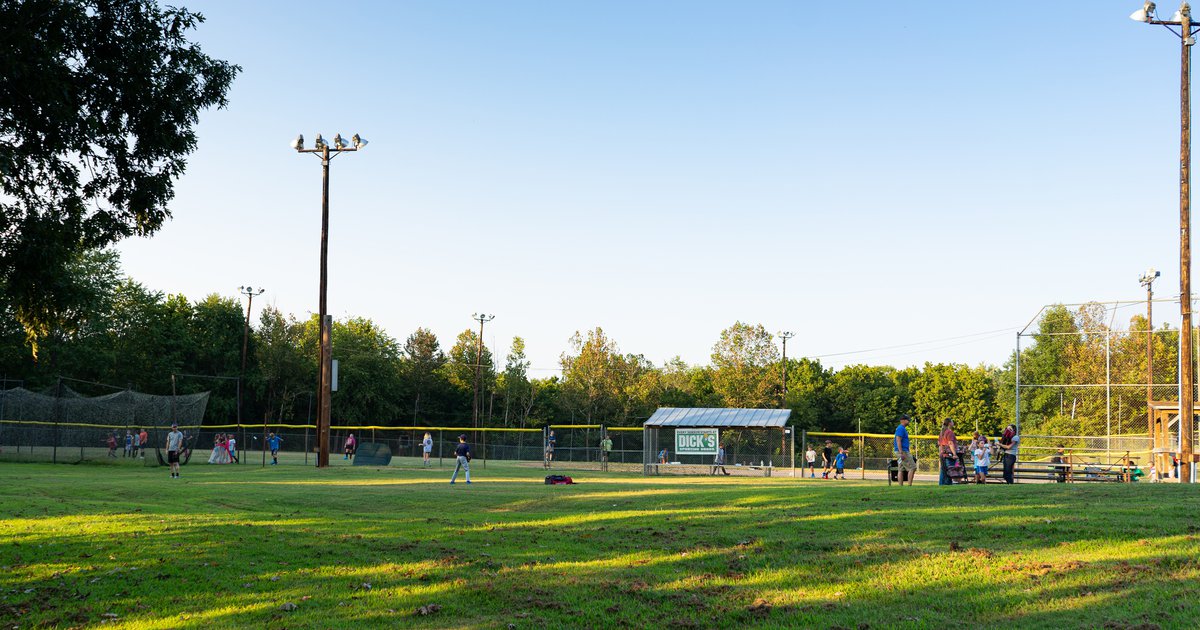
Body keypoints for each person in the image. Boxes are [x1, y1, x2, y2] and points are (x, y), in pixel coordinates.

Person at [894, 415, 916, 486]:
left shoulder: (902, 428)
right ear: (903, 420)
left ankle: (900, 486)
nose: (909, 421)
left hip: (901, 451)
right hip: (903, 451)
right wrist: (901, 452)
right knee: (912, 467)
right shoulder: (901, 428)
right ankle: (909, 485)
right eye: (907, 420)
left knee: (901, 469)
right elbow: (898, 440)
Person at [938, 419, 959, 486]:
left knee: (943, 469)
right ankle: (947, 484)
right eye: (952, 421)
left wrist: (940, 453)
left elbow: (940, 444)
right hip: (949, 454)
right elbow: (950, 443)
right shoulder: (949, 432)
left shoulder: (942, 432)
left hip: (943, 454)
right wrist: (954, 454)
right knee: (949, 470)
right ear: (949, 423)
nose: (953, 423)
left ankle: (942, 484)